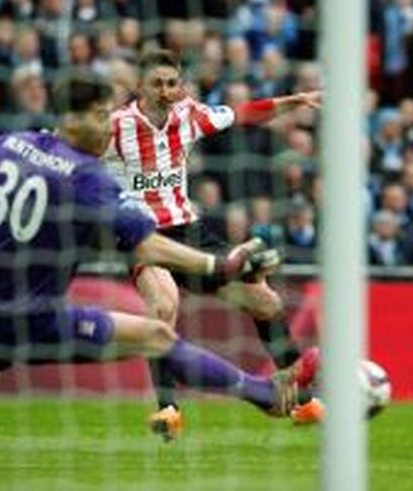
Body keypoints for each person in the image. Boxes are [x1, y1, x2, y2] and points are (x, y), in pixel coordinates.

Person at [0, 73, 319, 468]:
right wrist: (220, 263)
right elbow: (146, 241)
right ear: (71, 119)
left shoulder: (6, 144)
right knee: (158, 336)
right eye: (101, 116)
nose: (108, 126)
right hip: (37, 318)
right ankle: (264, 394)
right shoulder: (88, 177)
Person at [105, 49, 323, 438]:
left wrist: (290, 102)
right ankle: (168, 409)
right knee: (163, 304)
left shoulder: (189, 114)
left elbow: (242, 114)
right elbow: (69, 148)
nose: (166, 91)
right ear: (139, 86)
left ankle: (302, 401)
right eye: (157, 83)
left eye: (172, 83)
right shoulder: (115, 126)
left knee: (266, 301)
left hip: (190, 232)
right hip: (145, 237)